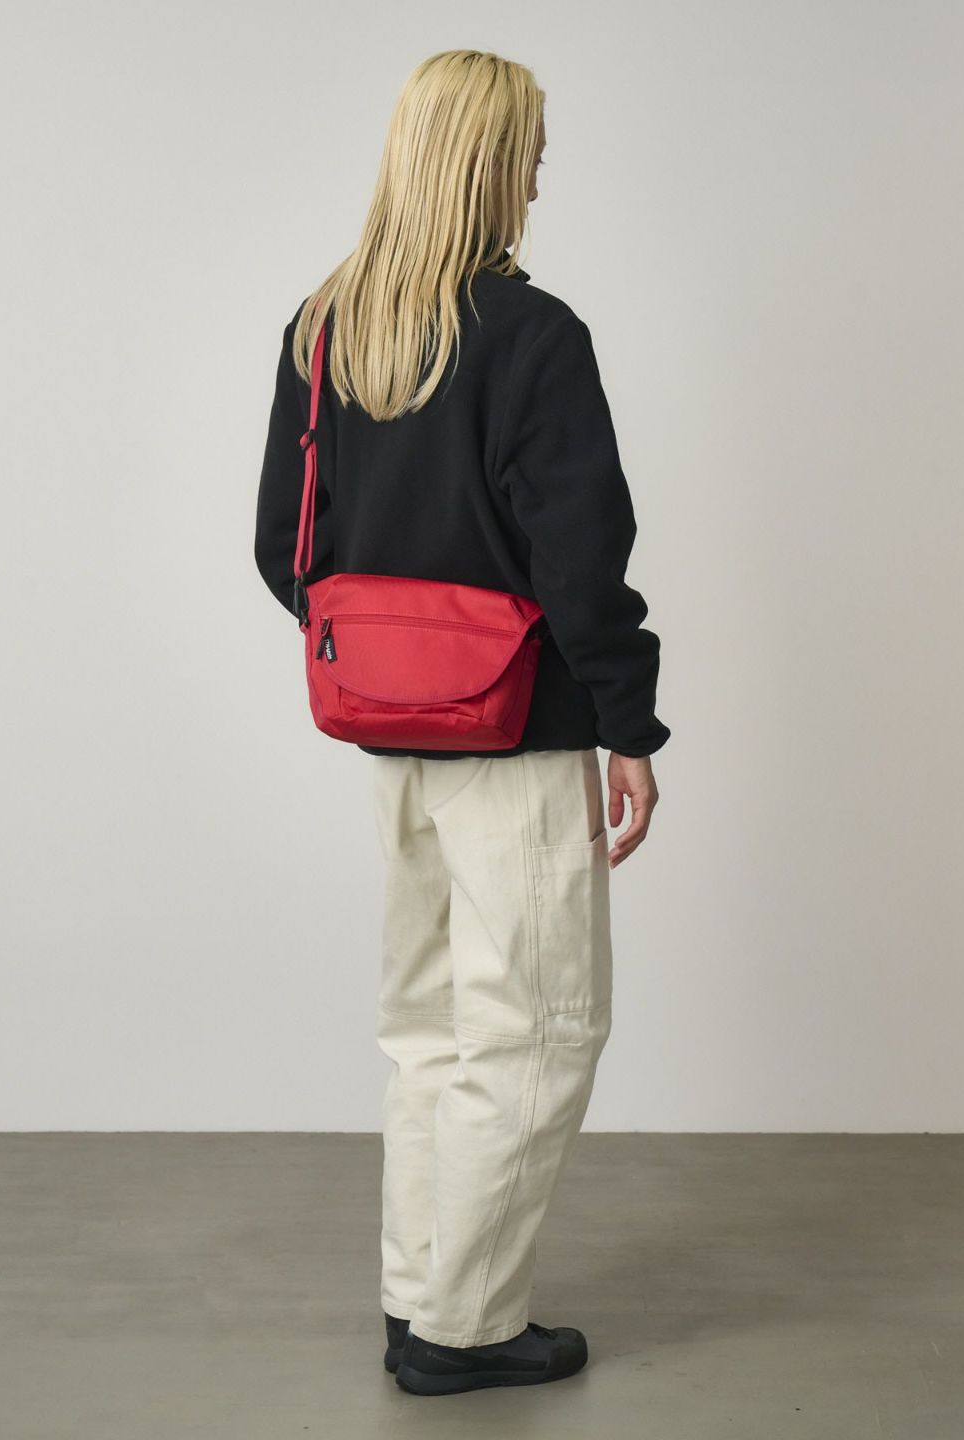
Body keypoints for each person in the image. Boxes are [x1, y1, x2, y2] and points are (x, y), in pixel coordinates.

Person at [254, 48, 670, 1396]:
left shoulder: (326, 327)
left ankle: (418, 1296)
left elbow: (284, 546)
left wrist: (391, 654)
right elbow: (581, 559)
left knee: (429, 1026)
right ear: (490, 165)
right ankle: (466, 1329)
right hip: (520, 735)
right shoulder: (532, 336)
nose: (541, 179)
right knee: (536, 1027)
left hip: (389, 734)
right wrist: (628, 723)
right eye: (531, 154)